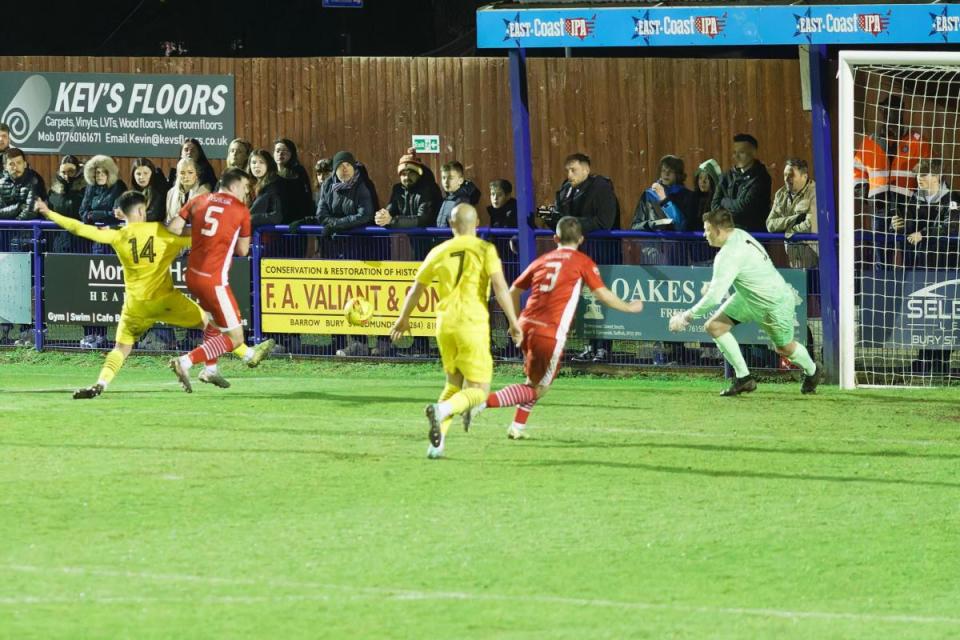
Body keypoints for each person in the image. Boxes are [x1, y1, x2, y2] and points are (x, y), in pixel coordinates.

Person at [35, 192, 248, 397]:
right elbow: (197, 237)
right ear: (140, 211)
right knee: (211, 324)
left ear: (123, 213)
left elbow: (78, 227)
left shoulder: (118, 235)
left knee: (121, 348)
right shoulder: (161, 232)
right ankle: (237, 357)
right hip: (166, 301)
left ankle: (101, 383)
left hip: (135, 306)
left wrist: (48, 212)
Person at [477, 216, 644, 440]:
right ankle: (480, 402)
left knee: (534, 381)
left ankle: (517, 427)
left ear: (555, 238)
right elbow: (602, 294)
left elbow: (513, 291)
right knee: (539, 389)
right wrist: (629, 308)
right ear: (581, 239)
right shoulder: (582, 262)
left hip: (527, 326)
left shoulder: (542, 260)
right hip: (549, 333)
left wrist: (514, 322)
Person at [389, 203, 522, 459]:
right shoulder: (485, 249)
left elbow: (416, 288)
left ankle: (437, 445)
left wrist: (403, 319)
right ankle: (442, 410)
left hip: (445, 324)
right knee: (480, 391)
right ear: (477, 222)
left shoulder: (438, 250)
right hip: (471, 322)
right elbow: (500, 287)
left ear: (451, 225)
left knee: (453, 384)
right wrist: (513, 322)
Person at [668, 208, 822, 396]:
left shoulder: (729, 253)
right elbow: (746, 270)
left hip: (772, 303)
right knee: (714, 326)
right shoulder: (739, 235)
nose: (704, 234)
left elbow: (714, 298)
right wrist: (715, 284)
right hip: (749, 298)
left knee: (784, 348)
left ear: (718, 230)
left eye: (707, 229)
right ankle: (744, 378)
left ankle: (813, 371)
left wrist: (685, 317)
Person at [166, 169, 275, 391]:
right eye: (245, 187)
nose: (246, 192)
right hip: (213, 279)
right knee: (235, 338)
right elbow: (243, 250)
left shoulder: (199, 200)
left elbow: (175, 228)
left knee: (214, 322)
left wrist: (200, 235)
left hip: (192, 275)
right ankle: (185, 361)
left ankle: (211, 370)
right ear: (234, 186)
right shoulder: (241, 210)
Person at [292, 150, 376, 356]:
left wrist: (336, 224)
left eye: (348, 165)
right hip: (333, 247)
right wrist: (329, 223)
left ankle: (359, 342)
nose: (344, 169)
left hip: (357, 248)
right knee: (335, 293)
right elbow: (322, 212)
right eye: (341, 166)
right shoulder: (329, 184)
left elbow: (364, 215)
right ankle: (337, 340)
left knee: (356, 295)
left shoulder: (362, 185)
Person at [541, 153, 620, 363]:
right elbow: (563, 224)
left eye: (573, 170)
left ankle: (603, 348)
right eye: (567, 170)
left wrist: (569, 222)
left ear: (586, 169)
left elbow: (604, 221)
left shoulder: (601, 187)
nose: (569, 174)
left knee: (600, 299)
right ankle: (588, 346)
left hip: (601, 253)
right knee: (582, 299)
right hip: (577, 255)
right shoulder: (565, 191)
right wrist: (549, 218)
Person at [889, 159, 960, 376]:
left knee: (945, 316)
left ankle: (941, 363)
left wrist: (924, 234)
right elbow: (909, 229)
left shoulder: (953, 198)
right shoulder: (913, 199)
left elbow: (951, 225)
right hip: (920, 266)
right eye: (918, 175)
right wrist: (897, 224)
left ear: (938, 177)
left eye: (925, 175)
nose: (920, 179)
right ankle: (923, 360)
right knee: (923, 316)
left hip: (947, 267)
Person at [712, 134, 772, 232]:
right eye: (734, 152)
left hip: (752, 237)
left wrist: (723, 201)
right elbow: (714, 205)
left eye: (742, 152)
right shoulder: (726, 176)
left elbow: (744, 207)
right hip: (729, 235)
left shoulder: (761, 178)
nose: (736, 156)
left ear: (753, 153)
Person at [766, 158, 818, 269]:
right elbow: (770, 224)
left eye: (791, 175)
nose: (786, 179)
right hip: (793, 262)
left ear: (804, 176)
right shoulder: (781, 194)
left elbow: (809, 225)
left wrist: (786, 231)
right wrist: (795, 218)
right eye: (785, 175)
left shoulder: (815, 192)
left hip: (816, 263)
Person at [630, 154, 698, 233]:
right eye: (663, 170)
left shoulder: (687, 196)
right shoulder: (649, 194)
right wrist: (652, 224)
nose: (666, 174)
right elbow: (635, 226)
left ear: (678, 174)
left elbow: (682, 227)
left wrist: (664, 199)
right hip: (653, 244)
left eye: (671, 171)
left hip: (677, 244)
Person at [47, 155, 86, 253]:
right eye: (63, 172)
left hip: (82, 239)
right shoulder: (54, 191)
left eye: (71, 171)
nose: (66, 175)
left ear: (77, 171)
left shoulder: (86, 189)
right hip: (60, 238)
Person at [274, 137, 313, 222]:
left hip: (295, 220)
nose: (280, 153)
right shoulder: (270, 172)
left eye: (285, 151)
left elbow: (306, 197)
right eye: (277, 151)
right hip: (275, 220)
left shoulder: (298, 172)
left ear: (292, 153)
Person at [165, 158, 211, 225]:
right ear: (177, 175)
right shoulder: (170, 193)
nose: (186, 176)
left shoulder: (204, 191)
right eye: (182, 173)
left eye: (190, 172)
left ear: (197, 175)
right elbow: (168, 218)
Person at [435, 161, 481, 228]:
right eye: (443, 178)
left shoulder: (462, 201)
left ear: (460, 180)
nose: (446, 181)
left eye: (450, 178)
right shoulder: (447, 199)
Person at [248, 149, 284, 227]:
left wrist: (250, 218)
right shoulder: (246, 185)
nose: (256, 166)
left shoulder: (274, 186)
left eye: (261, 162)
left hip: (266, 236)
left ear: (268, 165)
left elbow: (276, 216)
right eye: (253, 162)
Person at [129, 158, 169, 223]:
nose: (141, 177)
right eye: (138, 174)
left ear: (152, 174)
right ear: (133, 175)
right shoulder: (134, 192)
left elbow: (154, 215)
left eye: (145, 173)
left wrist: (130, 216)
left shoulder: (158, 189)